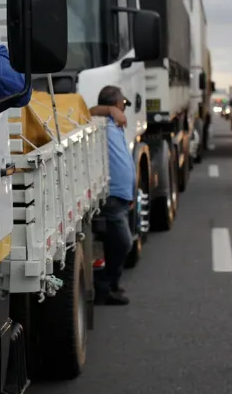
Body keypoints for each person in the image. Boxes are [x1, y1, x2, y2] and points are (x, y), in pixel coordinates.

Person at [88, 85, 136, 305]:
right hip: (112, 196)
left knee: (114, 243)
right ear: (116, 104)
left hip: (122, 196)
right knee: (123, 243)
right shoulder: (101, 122)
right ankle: (104, 287)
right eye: (123, 104)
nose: (124, 109)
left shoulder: (115, 125)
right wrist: (108, 110)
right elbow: (88, 112)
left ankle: (111, 285)